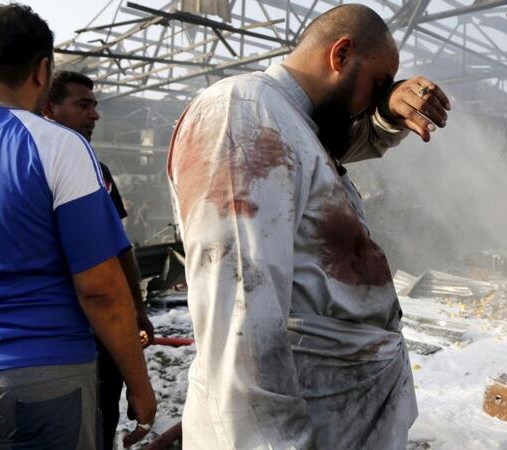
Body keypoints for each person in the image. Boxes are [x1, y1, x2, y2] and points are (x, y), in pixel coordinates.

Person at [168, 4, 450, 449]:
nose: (374, 100)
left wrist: (386, 109)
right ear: (341, 55)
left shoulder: (289, 119)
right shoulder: (243, 113)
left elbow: (337, 141)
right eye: (378, 83)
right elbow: (240, 309)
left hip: (334, 416)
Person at [0, 4, 156, 449]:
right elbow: (99, 288)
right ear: (42, 71)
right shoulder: (57, 146)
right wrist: (139, 385)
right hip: (39, 374)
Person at [43, 70, 155, 450]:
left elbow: (119, 248)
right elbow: (101, 280)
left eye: (94, 105)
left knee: (101, 423)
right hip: (62, 338)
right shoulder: (39, 164)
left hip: (98, 338)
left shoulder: (97, 170)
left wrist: (137, 308)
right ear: (49, 107)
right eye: (83, 105)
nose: (94, 114)